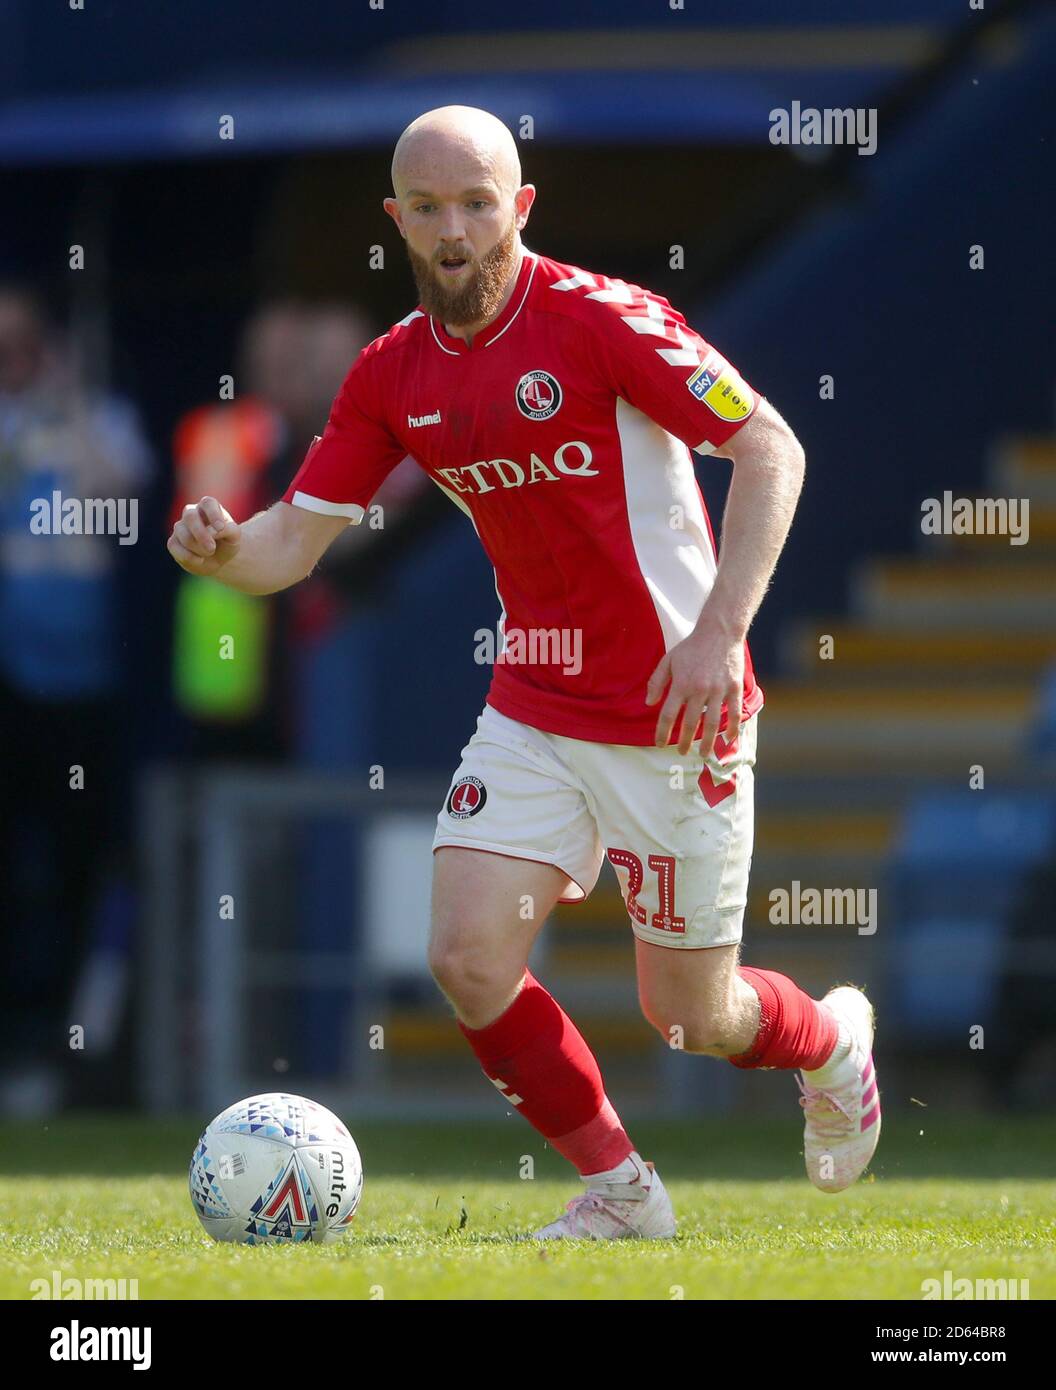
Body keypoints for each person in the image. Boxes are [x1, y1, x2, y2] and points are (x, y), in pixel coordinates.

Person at [167, 106, 881, 1240]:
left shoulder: (605, 322)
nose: (456, 229)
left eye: (479, 202)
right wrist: (222, 548)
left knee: (692, 1016)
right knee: (464, 955)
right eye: (432, 208)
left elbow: (770, 447)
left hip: (672, 710)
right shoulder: (392, 373)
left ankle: (835, 1043)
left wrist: (716, 635)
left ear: (521, 206)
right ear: (397, 219)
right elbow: (289, 541)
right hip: (535, 706)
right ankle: (622, 1192)